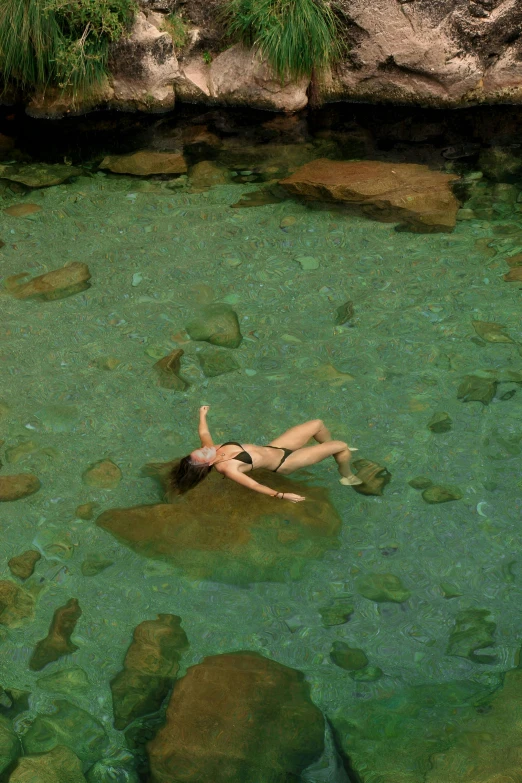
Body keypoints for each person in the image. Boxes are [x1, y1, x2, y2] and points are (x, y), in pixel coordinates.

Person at [167, 406, 362, 503]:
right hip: (285, 462)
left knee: (317, 424)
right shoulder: (227, 468)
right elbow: (254, 484)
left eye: (200, 449)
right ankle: (347, 475)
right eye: (203, 452)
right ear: (207, 464)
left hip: (276, 448)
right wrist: (282, 495)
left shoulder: (212, 449)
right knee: (342, 446)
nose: (205, 448)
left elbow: (204, 433)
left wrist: (202, 414)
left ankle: (332, 450)